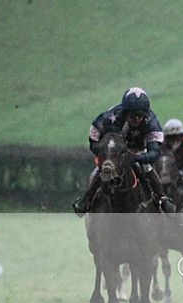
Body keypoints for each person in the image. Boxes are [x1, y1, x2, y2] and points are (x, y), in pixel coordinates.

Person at [72, 87, 174, 215]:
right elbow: (94, 137)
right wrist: (104, 155)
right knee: (101, 169)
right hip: (114, 152)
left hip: (138, 150)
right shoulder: (111, 117)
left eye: (140, 115)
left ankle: (161, 199)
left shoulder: (152, 123)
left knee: (147, 168)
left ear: (145, 114)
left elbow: (155, 153)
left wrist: (136, 158)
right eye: (132, 115)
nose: (136, 119)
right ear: (125, 113)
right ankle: (87, 199)